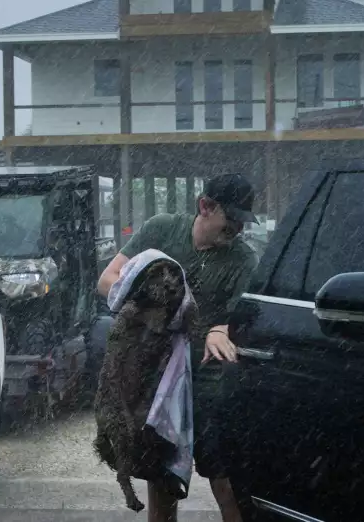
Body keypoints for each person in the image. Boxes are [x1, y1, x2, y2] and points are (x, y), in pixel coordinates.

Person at [97, 172, 260, 522]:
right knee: (161, 476)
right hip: (157, 376)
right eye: (230, 219)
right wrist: (154, 302)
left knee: (225, 480)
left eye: (242, 222)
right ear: (205, 206)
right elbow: (108, 280)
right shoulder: (161, 231)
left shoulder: (244, 260)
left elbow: (243, 316)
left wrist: (221, 328)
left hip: (207, 385)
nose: (237, 229)